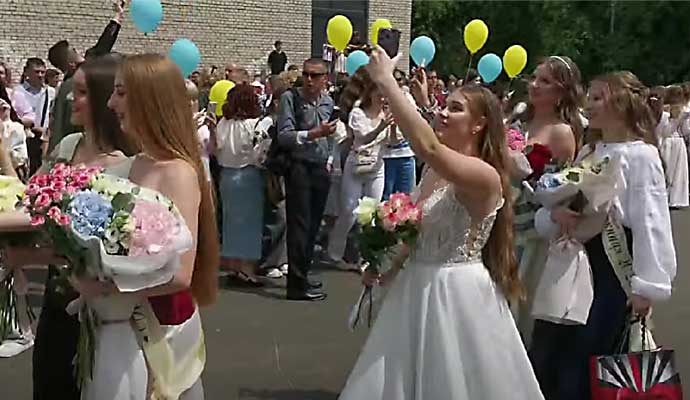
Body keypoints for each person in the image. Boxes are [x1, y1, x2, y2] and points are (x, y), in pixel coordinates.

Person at [339, 46, 544, 400]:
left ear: (479, 124)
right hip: (415, 287)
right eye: (445, 105)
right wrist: (385, 267)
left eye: (456, 108)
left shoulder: (484, 175)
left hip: (456, 293)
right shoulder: (433, 172)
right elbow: (416, 230)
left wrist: (386, 81)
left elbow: (429, 147)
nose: (444, 113)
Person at [529, 71, 677, 400]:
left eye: (598, 98)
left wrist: (647, 285)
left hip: (612, 269)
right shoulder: (590, 152)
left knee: (592, 358)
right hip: (575, 264)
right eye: (589, 98)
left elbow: (651, 222)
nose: (589, 105)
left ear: (623, 103)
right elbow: (564, 197)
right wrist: (555, 214)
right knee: (553, 351)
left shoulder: (642, 156)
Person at [0, 53, 136, 400]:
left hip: (96, 303)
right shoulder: (68, 146)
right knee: (49, 381)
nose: (72, 98)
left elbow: (96, 246)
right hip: (57, 298)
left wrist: (32, 255)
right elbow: (30, 200)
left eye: (83, 92)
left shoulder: (125, 167)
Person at [511, 56, 584, 344]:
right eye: (533, 78)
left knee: (517, 304)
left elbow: (563, 189)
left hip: (531, 233)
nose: (534, 85)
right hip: (503, 220)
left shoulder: (561, 132)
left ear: (561, 92)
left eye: (544, 81)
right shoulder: (519, 122)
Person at [277, 58, 336, 301]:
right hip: (298, 166)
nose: (309, 80)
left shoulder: (328, 102)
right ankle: (296, 285)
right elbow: (284, 135)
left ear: (325, 79)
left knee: (313, 225)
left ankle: (303, 273)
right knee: (299, 225)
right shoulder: (290, 98)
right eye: (306, 75)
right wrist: (312, 134)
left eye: (315, 76)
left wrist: (330, 157)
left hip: (320, 167)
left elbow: (331, 135)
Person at [325, 68, 392, 268]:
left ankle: (366, 258)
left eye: (385, 95)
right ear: (370, 93)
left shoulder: (387, 114)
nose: (382, 98)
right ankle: (334, 253)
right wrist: (381, 127)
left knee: (371, 214)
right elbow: (363, 138)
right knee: (349, 212)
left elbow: (393, 142)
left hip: (376, 168)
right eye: (379, 94)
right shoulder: (358, 113)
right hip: (356, 166)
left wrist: (394, 127)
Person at [46, 0, 126, 154]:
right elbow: (103, 45)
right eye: (75, 51)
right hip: (81, 149)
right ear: (71, 63)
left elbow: (103, 44)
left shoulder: (63, 89)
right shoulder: (78, 81)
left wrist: (117, 16)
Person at [212, 83, 266, 286]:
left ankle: (233, 265)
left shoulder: (223, 123)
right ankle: (247, 269)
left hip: (226, 175)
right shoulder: (254, 124)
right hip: (248, 175)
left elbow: (215, 149)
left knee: (230, 222)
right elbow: (259, 153)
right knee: (250, 223)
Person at [15, 57, 56, 175]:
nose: (40, 75)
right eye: (36, 72)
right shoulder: (18, 92)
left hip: (45, 139)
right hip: (26, 138)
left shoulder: (50, 92)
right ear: (26, 72)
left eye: (42, 72)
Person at [657, 85, 689, 208]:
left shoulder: (664, 110)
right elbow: (684, 130)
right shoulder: (670, 112)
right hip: (673, 141)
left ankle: (670, 197)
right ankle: (673, 198)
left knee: (671, 170)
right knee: (675, 171)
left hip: (670, 141)